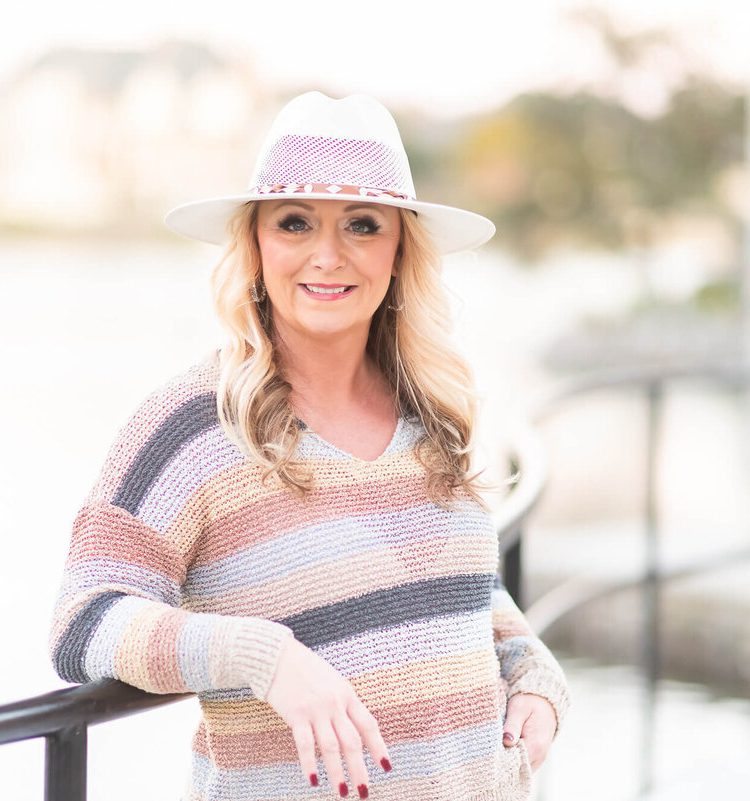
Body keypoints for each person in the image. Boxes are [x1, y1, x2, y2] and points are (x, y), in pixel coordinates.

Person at [48, 91, 570, 801]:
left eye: (362, 224)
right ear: (256, 245)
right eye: (295, 223)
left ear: (398, 250)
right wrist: (266, 659)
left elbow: (456, 589)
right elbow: (85, 619)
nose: (328, 255)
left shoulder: (433, 413)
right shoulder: (197, 424)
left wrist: (530, 665)